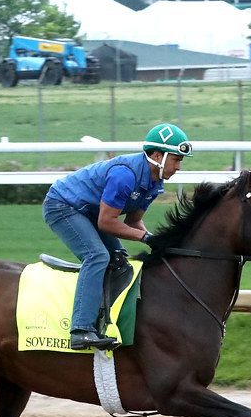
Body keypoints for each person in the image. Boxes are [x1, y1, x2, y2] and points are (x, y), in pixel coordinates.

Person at [43, 123, 194, 350]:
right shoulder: (125, 175)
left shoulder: (155, 182)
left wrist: (156, 240)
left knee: (119, 262)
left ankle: (104, 321)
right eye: (176, 159)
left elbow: (133, 222)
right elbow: (106, 222)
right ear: (157, 156)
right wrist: (146, 238)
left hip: (91, 212)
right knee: (97, 256)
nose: (179, 167)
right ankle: (81, 329)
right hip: (63, 206)